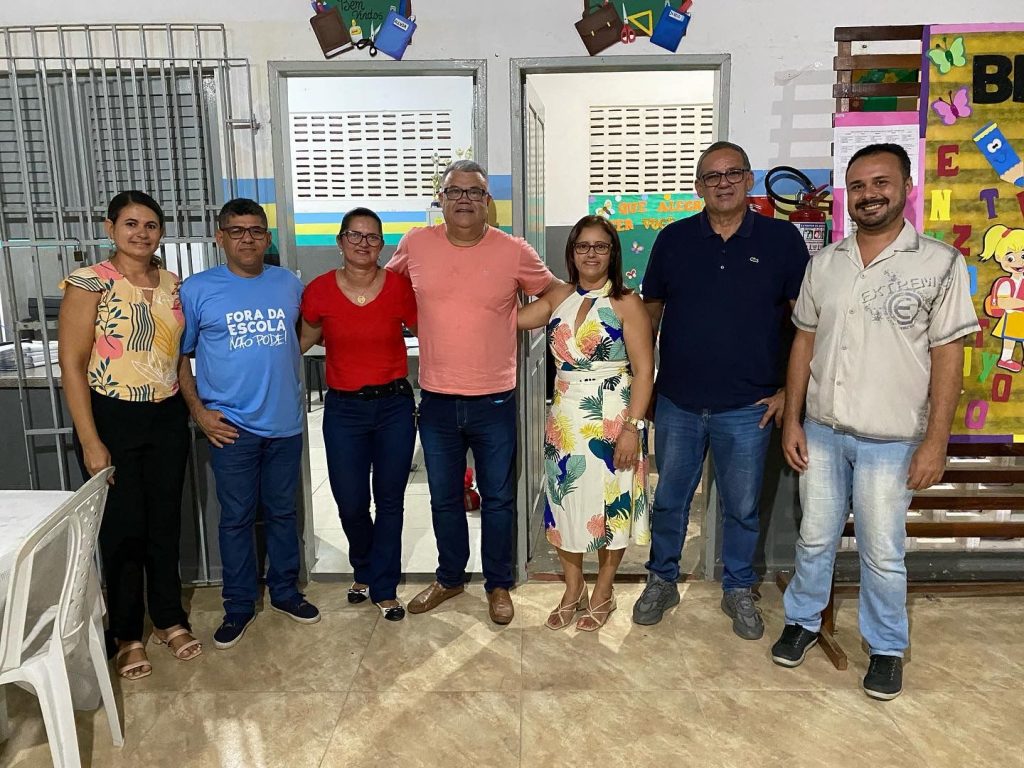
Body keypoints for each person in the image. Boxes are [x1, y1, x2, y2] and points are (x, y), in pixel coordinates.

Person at [772, 143, 979, 700]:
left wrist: (936, 442)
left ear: (906, 187)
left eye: (881, 182)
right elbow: (804, 343)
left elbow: (949, 357)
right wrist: (793, 420)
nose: (869, 195)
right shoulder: (825, 264)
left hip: (893, 440)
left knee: (882, 551)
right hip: (822, 431)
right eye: (859, 185)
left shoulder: (938, 264)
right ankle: (802, 621)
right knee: (814, 537)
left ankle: (886, 647)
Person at [634, 141, 810, 639]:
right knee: (669, 500)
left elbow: (806, 324)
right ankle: (661, 580)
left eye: (733, 173)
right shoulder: (674, 239)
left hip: (750, 406)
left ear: (749, 179)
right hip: (678, 402)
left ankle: (738, 588)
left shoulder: (782, 240)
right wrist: (644, 387)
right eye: (712, 176)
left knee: (742, 508)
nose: (723, 183)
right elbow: (650, 316)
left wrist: (788, 392)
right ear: (699, 186)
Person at [388, 160, 557, 625]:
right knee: (444, 497)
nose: (464, 199)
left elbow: (555, 292)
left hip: (495, 400)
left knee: (498, 499)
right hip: (436, 400)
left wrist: (515, 320)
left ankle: (498, 583)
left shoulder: (513, 250)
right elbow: (387, 290)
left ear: (487, 201)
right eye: (454, 191)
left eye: (474, 192)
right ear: (441, 199)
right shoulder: (415, 244)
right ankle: (450, 578)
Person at [59, 190, 200, 680]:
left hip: (166, 414)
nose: (141, 233)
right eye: (131, 224)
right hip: (111, 415)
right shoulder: (90, 282)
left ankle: (168, 617)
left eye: (151, 225)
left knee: (165, 521)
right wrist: (90, 439)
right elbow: (72, 365)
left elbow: (177, 355)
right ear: (111, 228)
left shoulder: (174, 285)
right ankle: (126, 634)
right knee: (122, 528)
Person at [178, 198, 320, 650]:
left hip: (284, 424)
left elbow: (303, 334)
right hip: (231, 427)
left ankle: (285, 592)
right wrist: (199, 412)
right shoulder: (198, 290)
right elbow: (179, 357)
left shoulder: (288, 284)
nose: (248, 239)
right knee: (236, 518)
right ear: (220, 237)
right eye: (237, 230)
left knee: (282, 513)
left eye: (256, 230)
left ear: (267, 237)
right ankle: (238, 605)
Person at [517, 215, 654, 630]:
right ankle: (573, 587)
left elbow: (644, 373)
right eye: (583, 246)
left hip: (614, 418)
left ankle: (604, 591)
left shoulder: (627, 303)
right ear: (572, 252)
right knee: (567, 504)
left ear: (612, 253)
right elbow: (514, 319)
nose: (591, 254)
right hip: (565, 419)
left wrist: (633, 429)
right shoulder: (558, 295)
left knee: (612, 506)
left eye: (600, 246)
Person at [300, 208, 417, 621]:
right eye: (355, 235)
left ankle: (382, 586)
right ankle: (363, 566)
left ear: (382, 244)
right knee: (350, 502)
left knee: (390, 500)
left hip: (394, 407)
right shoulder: (319, 291)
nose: (363, 243)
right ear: (340, 240)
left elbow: (434, 331)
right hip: (344, 410)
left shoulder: (400, 288)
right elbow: (301, 341)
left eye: (372, 237)